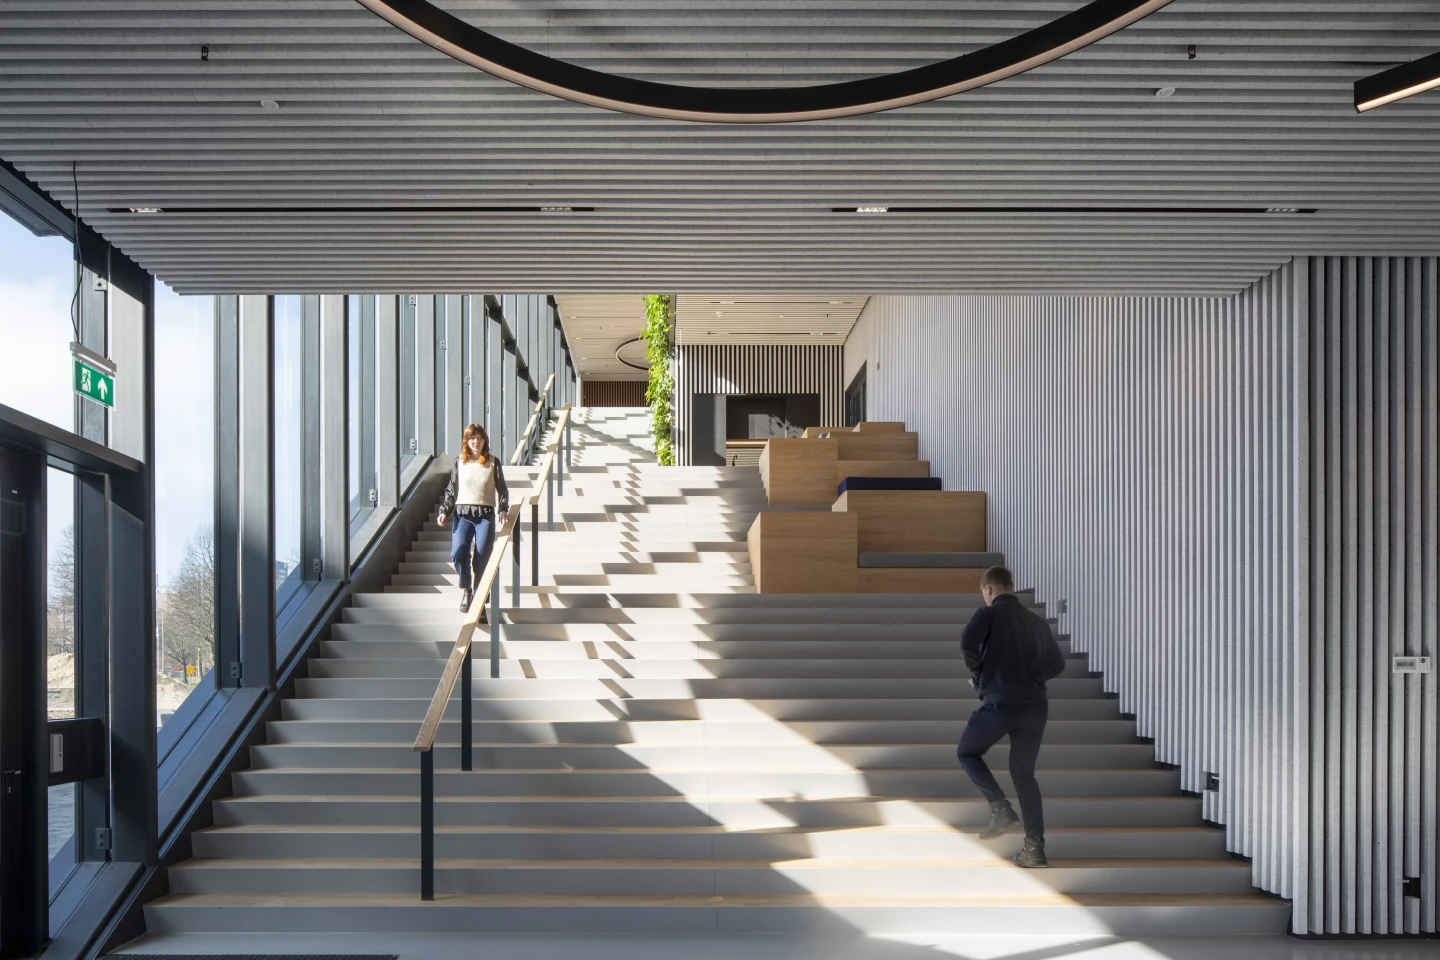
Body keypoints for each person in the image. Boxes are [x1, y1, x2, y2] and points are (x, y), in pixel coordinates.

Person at [957, 565, 1066, 868]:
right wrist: (1029, 678)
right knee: (1023, 774)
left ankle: (999, 807)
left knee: (966, 752)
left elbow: (966, 644)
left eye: (984, 594)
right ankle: (1034, 849)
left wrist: (981, 673)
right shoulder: (1036, 622)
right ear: (1011, 586)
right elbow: (1057, 665)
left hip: (1001, 702)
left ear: (988, 589)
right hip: (1035, 707)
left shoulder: (987, 614)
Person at [437, 423, 510, 614]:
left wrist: (503, 508)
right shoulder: (459, 462)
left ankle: (479, 601)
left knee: (481, 558)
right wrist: (445, 510)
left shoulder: (493, 462)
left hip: (484, 516)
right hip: (462, 515)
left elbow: (502, 488)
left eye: (479, 438)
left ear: (484, 440)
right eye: (472, 438)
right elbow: (451, 490)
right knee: (458, 552)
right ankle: (467, 589)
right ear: (466, 442)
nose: (475, 442)